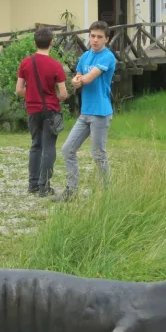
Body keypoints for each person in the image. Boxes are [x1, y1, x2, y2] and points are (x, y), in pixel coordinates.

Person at [54, 21, 116, 203]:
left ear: (106, 39)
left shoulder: (108, 57)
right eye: (92, 36)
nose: (95, 40)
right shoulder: (86, 56)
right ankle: (71, 191)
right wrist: (75, 80)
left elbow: (88, 78)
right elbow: (77, 78)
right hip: (85, 112)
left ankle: (107, 194)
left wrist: (78, 80)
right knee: (67, 150)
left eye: (99, 37)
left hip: (101, 112)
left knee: (98, 154)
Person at [15, 27, 68, 197]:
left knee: (35, 145)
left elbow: (19, 89)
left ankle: (33, 184)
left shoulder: (25, 63)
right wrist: (53, 99)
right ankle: (44, 185)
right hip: (50, 110)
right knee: (49, 147)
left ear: (34, 43)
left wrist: (32, 95)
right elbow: (64, 93)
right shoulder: (56, 65)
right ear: (52, 42)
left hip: (32, 110)